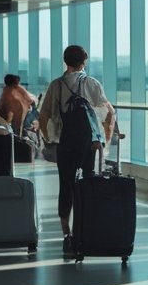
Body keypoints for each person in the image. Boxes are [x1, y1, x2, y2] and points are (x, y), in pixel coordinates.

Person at [40, 46, 116, 254]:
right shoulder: (92, 83)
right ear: (84, 62)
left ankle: (67, 234)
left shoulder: (56, 85)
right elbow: (109, 114)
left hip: (66, 143)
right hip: (90, 144)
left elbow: (43, 116)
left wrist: (49, 139)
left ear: (66, 61)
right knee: (89, 185)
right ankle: (87, 229)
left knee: (66, 186)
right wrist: (105, 141)